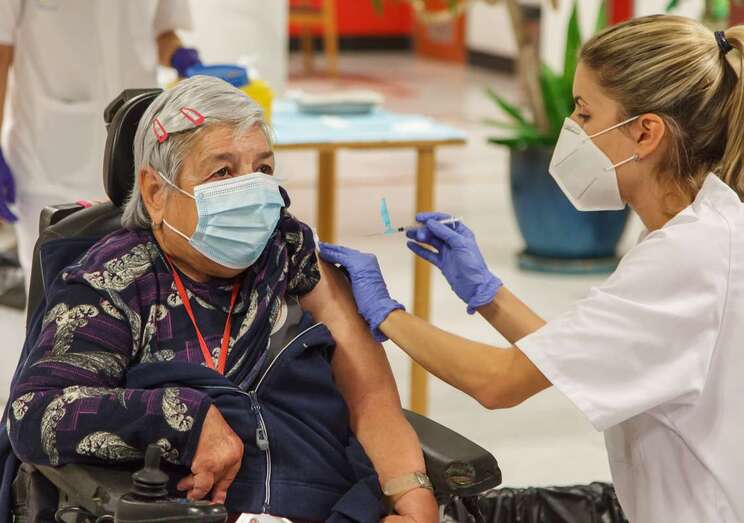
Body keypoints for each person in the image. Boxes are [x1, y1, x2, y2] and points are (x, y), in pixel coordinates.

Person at [320, 16, 744, 523]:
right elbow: (571, 358)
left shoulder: (690, 257)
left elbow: (500, 383)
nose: (573, 131)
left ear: (646, 133)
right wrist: (489, 294)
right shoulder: (713, 227)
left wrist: (384, 312)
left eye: (585, 115)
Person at [7, 76, 437, 522]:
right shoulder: (117, 280)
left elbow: (370, 398)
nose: (252, 191)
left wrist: (413, 499)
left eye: (263, 170)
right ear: (156, 192)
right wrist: (182, 418)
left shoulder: (288, 253)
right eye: (223, 172)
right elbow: (35, 413)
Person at [0, 0, 203, 281]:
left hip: (137, 158)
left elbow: (163, 34)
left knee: (136, 291)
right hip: (48, 159)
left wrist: (181, 56)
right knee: (50, 293)